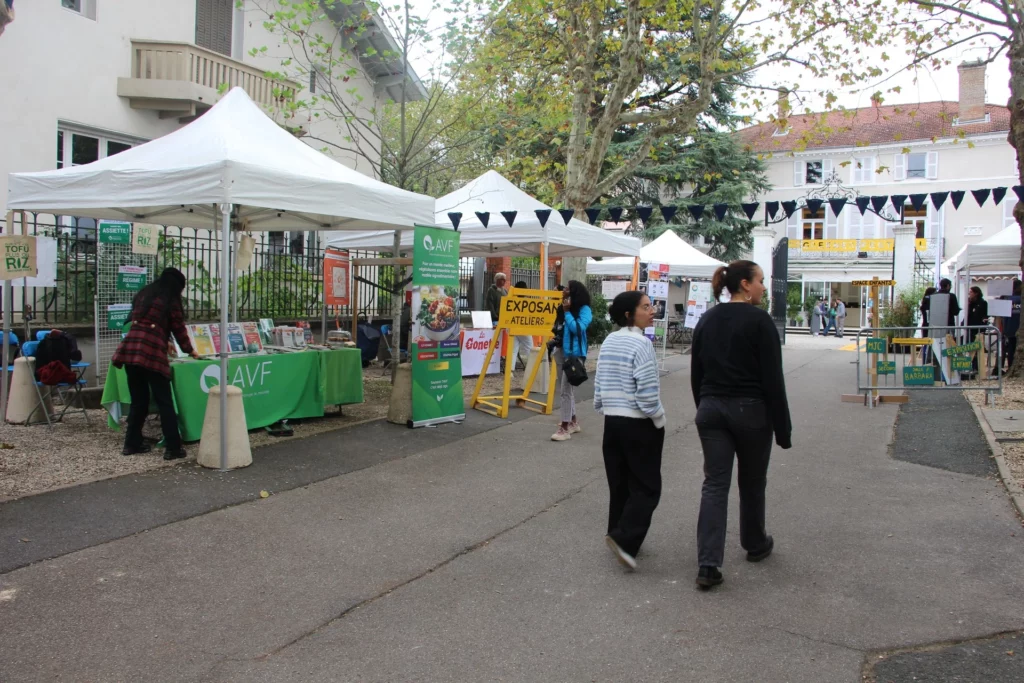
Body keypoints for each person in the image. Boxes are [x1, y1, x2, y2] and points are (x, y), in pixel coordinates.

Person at [690, 260, 792, 590]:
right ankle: (755, 543)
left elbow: (697, 372)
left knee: (715, 484)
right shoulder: (760, 321)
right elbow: (773, 379)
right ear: (745, 285)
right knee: (751, 481)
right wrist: (783, 428)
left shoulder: (707, 319)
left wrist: (705, 406)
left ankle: (708, 564)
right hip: (751, 411)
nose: (764, 286)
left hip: (711, 408)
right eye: (761, 280)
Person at [594, 290, 666, 570]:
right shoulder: (642, 344)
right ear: (629, 314)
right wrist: (659, 417)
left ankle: (617, 531)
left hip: (612, 422)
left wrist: (604, 406)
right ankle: (625, 539)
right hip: (639, 423)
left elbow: (600, 379)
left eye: (651, 306)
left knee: (620, 483)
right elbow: (647, 393)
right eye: (646, 307)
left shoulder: (610, 340)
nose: (652, 310)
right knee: (647, 487)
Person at [112, 267, 198, 460]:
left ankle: (131, 443)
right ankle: (173, 448)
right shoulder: (171, 299)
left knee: (138, 401)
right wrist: (190, 350)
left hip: (130, 350)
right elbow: (178, 327)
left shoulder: (145, 293)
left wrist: (164, 340)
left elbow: (144, 322)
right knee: (164, 401)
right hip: (150, 352)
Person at [551, 280, 592, 441]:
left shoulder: (584, 310)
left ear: (575, 292)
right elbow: (558, 328)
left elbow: (578, 329)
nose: (564, 290)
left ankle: (565, 428)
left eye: (567, 288)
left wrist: (567, 312)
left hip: (574, 355)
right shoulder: (563, 308)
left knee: (565, 391)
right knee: (567, 390)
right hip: (562, 352)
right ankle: (573, 422)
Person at [510, 280, 535, 372]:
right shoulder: (525, 301)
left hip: (512, 326)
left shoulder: (511, 298)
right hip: (522, 326)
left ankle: (510, 371)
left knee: (513, 350)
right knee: (530, 347)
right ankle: (532, 369)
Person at [966, 286, 989, 375]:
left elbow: (984, 316)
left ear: (976, 293)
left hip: (978, 328)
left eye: (971, 292)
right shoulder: (970, 303)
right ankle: (972, 365)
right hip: (970, 328)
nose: (969, 294)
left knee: (977, 348)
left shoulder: (982, 303)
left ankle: (976, 367)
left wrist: (983, 327)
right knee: (971, 347)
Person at [1003, 280, 1022, 372]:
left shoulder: (1008, 299)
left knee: (1011, 348)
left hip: (1010, 328)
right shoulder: (1020, 299)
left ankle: (1011, 366)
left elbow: (1004, 317)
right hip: (1018, 328)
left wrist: (1005, 329)